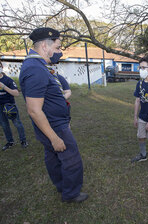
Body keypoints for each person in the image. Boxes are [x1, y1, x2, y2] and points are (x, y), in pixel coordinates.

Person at [19, 27, 88, 203]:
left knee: (52, 157)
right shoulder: (35, 69)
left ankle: (61, 186)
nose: (59, 52)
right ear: (44, 45)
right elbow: (34, 110)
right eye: (57, 48)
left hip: (55, 123)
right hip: (53, 126)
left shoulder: (39, 65)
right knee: (71, 160)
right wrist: (54, 137)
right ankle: (71, 193)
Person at [0, 61, 28, 151]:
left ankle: (23, 140)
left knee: (17, 123)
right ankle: (10, 141)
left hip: (9, 105)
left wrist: (3, 87)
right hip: (0, 107)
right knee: (4, 125)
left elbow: (16, 93)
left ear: (1, 67)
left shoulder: (8, 80)